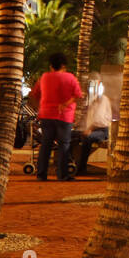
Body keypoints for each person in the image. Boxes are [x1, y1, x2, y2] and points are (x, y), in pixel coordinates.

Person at [30, 52, 83, 181]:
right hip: (64, 116)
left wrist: (40, 108)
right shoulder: (70, 78)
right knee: (64, 145)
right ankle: (62, 174)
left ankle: (41, 174)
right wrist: (66, 104)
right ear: (63, 65)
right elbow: (78, 95)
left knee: (46, 145)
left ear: (51, 66)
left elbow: (34, 94)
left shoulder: (44, 77)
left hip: (46, 115)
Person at [76, 83, 113, 176]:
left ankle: (81, 167)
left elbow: (99, 120)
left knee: (87, 138)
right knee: (74, 136)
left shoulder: (102, 100)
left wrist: (89, 129)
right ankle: (75, 164)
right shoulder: (94, 100)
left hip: (102, 130)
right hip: (94, 129)